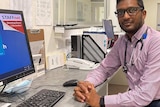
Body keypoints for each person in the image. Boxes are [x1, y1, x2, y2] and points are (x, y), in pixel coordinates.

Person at [73, 0, 160, 107]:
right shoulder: (122, 42)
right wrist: (87, 85)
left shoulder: (156, 42)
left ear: (143, 14)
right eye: (120, 12)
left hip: (154, 102)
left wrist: (100, 101)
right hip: (134, 96)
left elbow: (145, 94)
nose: (126, 16)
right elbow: (104, 69)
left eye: (132, 10)